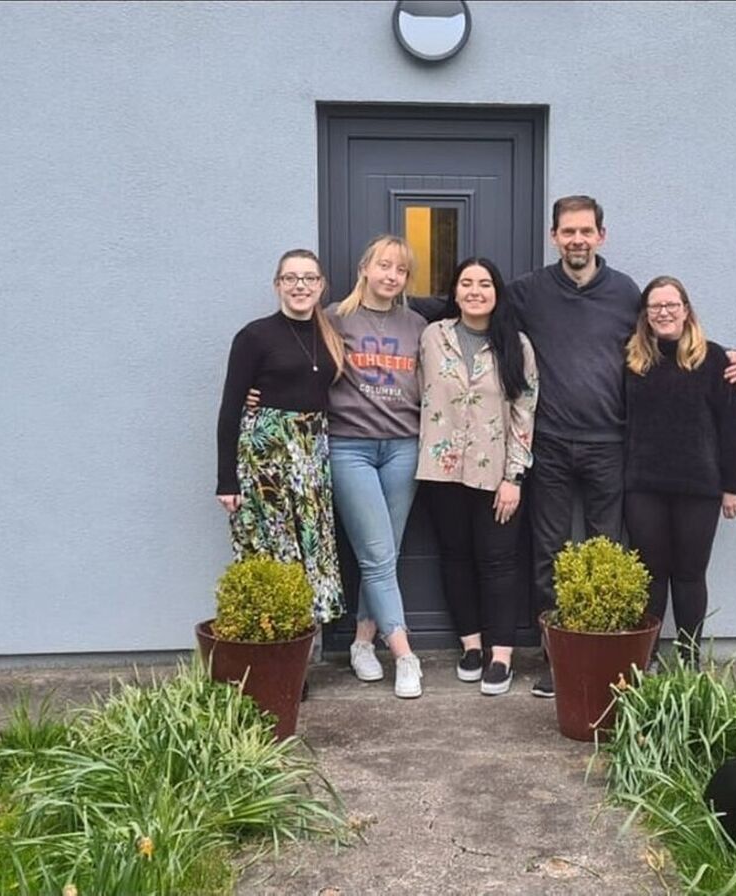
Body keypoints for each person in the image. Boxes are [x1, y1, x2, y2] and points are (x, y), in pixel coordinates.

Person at [508, 195, 736, 697]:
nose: (577, 239)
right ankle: (558, 658)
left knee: (609, 554)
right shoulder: (529, 291)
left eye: (585, 231)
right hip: (549, 442)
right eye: (567, 231)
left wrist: (729, 360)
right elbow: (474, 307)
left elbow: (670, 344)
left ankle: (609, 649)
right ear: (554, 236)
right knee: (549, 553)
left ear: (601, 235)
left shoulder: (625, 293)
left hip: (609, 445)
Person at [416, 257, 539, 696]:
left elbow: (524, 412)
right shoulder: (433, 337)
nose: (474, 291)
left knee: (499, 562)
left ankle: (500, 654)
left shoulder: (516, 344)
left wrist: (515, 477)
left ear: (496, 292)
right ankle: (471, 647)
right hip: (441, 470)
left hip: (495, 473)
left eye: (484, 284)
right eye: (466, 283)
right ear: (454, 291)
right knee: (455, 556)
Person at [215, 249, 347, 635]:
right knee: (273, 548)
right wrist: (226, 480)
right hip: (264, 459)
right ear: (277, 286)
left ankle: (301, 648)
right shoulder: (254, 336)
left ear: (321, 285)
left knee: (310, 548)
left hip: (311, 456)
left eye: (308, 278)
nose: (300, 286)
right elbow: (230, 409)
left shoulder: (330, 335)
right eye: (290, 278)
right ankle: (272, 644)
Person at [623, 275, 736, 669]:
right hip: (644, 486)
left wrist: (733, 486)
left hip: (698, 488)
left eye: (670, 305)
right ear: (645, 316)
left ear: (686, 311)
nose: (663, 313)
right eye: (655, 307)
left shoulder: (714, 360)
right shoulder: (632, 362)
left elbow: (734, 426)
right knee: (652, 575)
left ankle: (689, 658)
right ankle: (647, 657)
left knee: (690, 575)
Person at [326, 235, 429, 698]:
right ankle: (406, 654)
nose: (391, 276)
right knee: (377, 555)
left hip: (403, 447)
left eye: (401, 270)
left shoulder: (417, 325)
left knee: (385, 552)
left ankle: (362, 643)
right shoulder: (333, 318)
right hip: (350, 448)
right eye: (384, 266)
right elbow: (299, 366)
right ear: (365, 267)